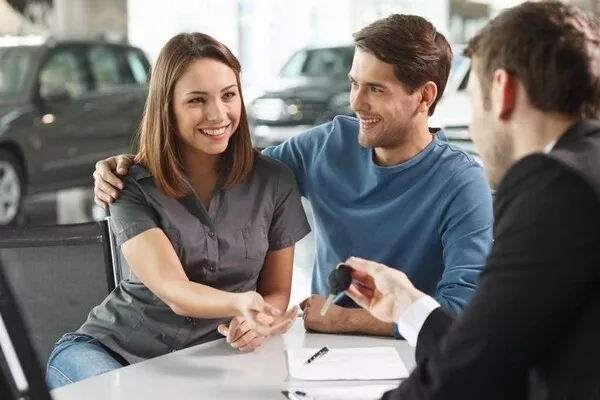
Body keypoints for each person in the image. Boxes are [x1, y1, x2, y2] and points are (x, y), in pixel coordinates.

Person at [92, 15, 494, 339]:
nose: (356, 102)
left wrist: (344, 319)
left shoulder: (462, 183)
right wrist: (133, 164)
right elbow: (229, 166)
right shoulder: (324, 146)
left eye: (375, 89)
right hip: (321, 349)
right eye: (354, 84)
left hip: (412, 358)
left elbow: (459, 314)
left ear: (424, 96)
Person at [342, 2, 600, 399]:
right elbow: (499, 345)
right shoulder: (586, 168)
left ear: (502, 90)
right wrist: (409, 306)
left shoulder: (555, 186)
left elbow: (471, 377)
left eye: (473, 97)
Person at [45, 32, 310, 390]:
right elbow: (173, 289)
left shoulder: (274, 181)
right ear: (166, 106)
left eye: (228, 95)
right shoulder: (130, 185)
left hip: (208, 360)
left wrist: (260, 320)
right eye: (197, 100)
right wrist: (242, 303)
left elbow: (276, 292)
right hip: (109, 353)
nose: (218, 113)